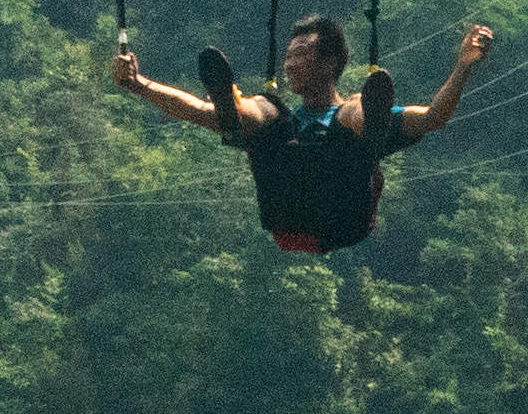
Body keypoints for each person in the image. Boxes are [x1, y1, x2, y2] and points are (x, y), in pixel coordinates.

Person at [104, 17, 492, 252]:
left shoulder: (349, 112)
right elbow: (194, 110)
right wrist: (139, 84)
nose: (290, 64)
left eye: (301, 55)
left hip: (341, 215)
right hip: (287, 208)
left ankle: (373, 128)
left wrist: (463, 66)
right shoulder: (281, 119)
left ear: (329, 64)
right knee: (265, 109)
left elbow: (433, 117)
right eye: (288, 56)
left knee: (351, 111)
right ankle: (232, 110)